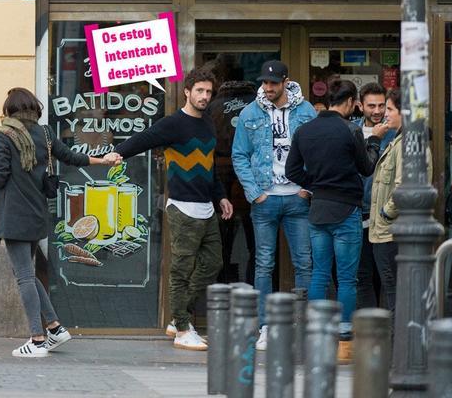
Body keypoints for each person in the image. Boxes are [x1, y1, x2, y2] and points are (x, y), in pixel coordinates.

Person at [0, 87, 121, 358]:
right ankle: (55, 327)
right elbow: (73, 158)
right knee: (25, 273)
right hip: (37, 214)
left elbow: (0, 178)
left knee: (24, 276)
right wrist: (104, 161)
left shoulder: (4, 134)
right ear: (34, 108)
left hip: (13, 216)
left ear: (9, 110)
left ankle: (37, 339)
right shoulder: (46, 134)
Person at [114, 68, 233, 351]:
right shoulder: (173, 124)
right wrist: (118, 153)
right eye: (200, 91)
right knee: (180, 271)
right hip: (182, 207)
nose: (205, 96)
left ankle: (178, 317)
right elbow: (143, 139)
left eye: (208, 92)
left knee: (212, 264)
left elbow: (209, 165)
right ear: (187, 92)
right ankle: (181, 329)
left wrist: (222, 196)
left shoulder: (208, 124)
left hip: (206, 207)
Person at [285, 79, 387, 340]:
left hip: (318, 209)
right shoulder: (350, 130)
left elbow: (291, 171)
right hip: (346, 210)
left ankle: (319, 326)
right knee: (347, 278)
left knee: (319, 273)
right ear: (352, 102)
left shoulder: (304, 131)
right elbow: (366, 168)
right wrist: (374, 141)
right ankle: (343, 328)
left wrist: (316, 185)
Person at [231, 60, 315, 351]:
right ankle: (264, 326)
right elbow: (239, 155)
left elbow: (317, 152)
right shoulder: (249, 113)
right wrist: (254, 193)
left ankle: (302, 326)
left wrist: (306, 188)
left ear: (285, 82)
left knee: (304, 261)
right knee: (264, 263)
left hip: (296, 197)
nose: (268, 88)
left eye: (274, 84)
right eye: (265, 83)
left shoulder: (306, 111)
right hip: (265, 198)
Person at [369, 88, 432, 321]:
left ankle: (401, 351)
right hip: (388, 232)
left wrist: (386, 213)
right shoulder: (400, 141)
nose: (385, 114)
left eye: (390, 109)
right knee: (395, 292)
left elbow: (405, 184)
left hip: (392, 233)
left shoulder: (407, 142)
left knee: (396, 293)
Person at [206, 80, 257, 284]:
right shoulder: (255, 103)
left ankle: (222, 281)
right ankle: (253, 283)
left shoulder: (214, 105)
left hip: (221, 171)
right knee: (254, 236)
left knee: (223, 232)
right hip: (251, 175)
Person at [354, 83, 396, 309]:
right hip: (358, 213)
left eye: (382, 105)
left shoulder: (395, 134)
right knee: (362, 275)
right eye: (372, 106)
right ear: (360, 106)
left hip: (384, 214)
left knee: (386, 276)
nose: (378, 111)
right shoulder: (352, 131)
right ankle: (370, 326)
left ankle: (388, 331)